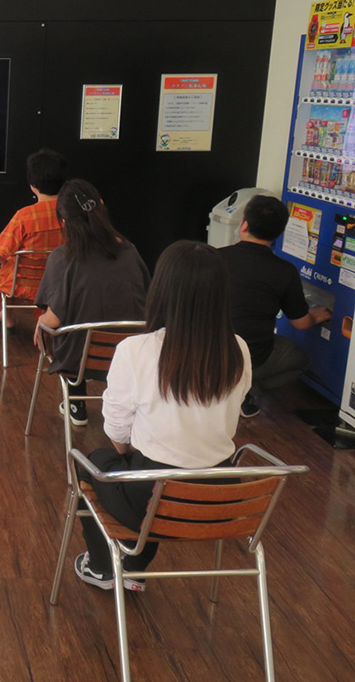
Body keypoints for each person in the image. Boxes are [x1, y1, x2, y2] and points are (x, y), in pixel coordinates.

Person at [74, 241, 252, 591]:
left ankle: (105, 568)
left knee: (92, 462)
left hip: (154, 500)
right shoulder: (239, 349)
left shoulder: (136, 350)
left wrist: (130, 454)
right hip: (219, 501)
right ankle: (133, 568)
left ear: (162, 289)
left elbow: (117, 432)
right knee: (144, 475)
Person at [34, 179, 150, 426]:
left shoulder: (62, 258)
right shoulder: (130, 251)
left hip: (79, 360)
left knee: (56, 326)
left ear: (63, 222)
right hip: (131, 355)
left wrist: (40, 323)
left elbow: (52, 319)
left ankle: (76, 400)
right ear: (102, 206)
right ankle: (125, 406)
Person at [218, 195, 331, 417]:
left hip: (204, 350)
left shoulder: (214, 257)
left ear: (244, 225)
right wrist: (318, 316)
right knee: (299, 360)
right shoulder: (285, 270)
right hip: (250, 357)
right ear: (279, 233)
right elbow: (301, 323)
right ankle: (243, 393)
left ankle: (230, 390)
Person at [0, 148, 68, 327]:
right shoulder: (74, 214)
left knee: (3, 267)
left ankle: (5, 317)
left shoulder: (25, 216)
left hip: (23, 283)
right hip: (63, 281)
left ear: (32, 184)